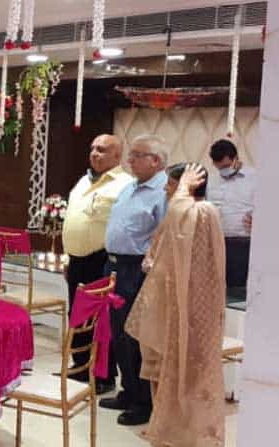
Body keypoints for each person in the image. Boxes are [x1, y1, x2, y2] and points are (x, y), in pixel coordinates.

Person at [126, 163, 226, 447]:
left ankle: (189, 434)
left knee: (190, 373)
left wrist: (183, 190)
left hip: (192, 307)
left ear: (190, 184)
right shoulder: (179, 212)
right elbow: (164, 246)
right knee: (160, 368)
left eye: (172, 183)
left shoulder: (202, 211)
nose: (167, 189)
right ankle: (163, 428)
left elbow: (181, 224)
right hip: (167, 304)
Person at [100, 135, 169, 425]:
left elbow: (165, 239)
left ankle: (145, 401)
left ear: (155, 160)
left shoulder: (164, 192)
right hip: (113, 266)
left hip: (137, 270)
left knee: (136, 337)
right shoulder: (130, 188)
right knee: (118, 334)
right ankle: (128, 391)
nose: (130, 160)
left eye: (136, 155)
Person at [61, 134, 133, 394]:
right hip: (77, 260)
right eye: (92, 149)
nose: (94, 153)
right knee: (77, 317)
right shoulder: (84, 180)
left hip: (102, 260)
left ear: (117, 156)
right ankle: (81, 368)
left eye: (102, 150)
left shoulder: (125, 184)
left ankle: (103, 376)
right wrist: (69, 256)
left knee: (102, 321)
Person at [207, 139, 255, 289]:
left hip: (245, 243)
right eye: (219, 167)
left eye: (226, 166)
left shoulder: (256, 178)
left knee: (239, 289)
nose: (223, 170)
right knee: (219, 286)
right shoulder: (212, 181)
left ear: (236, 158)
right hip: (218, 242)